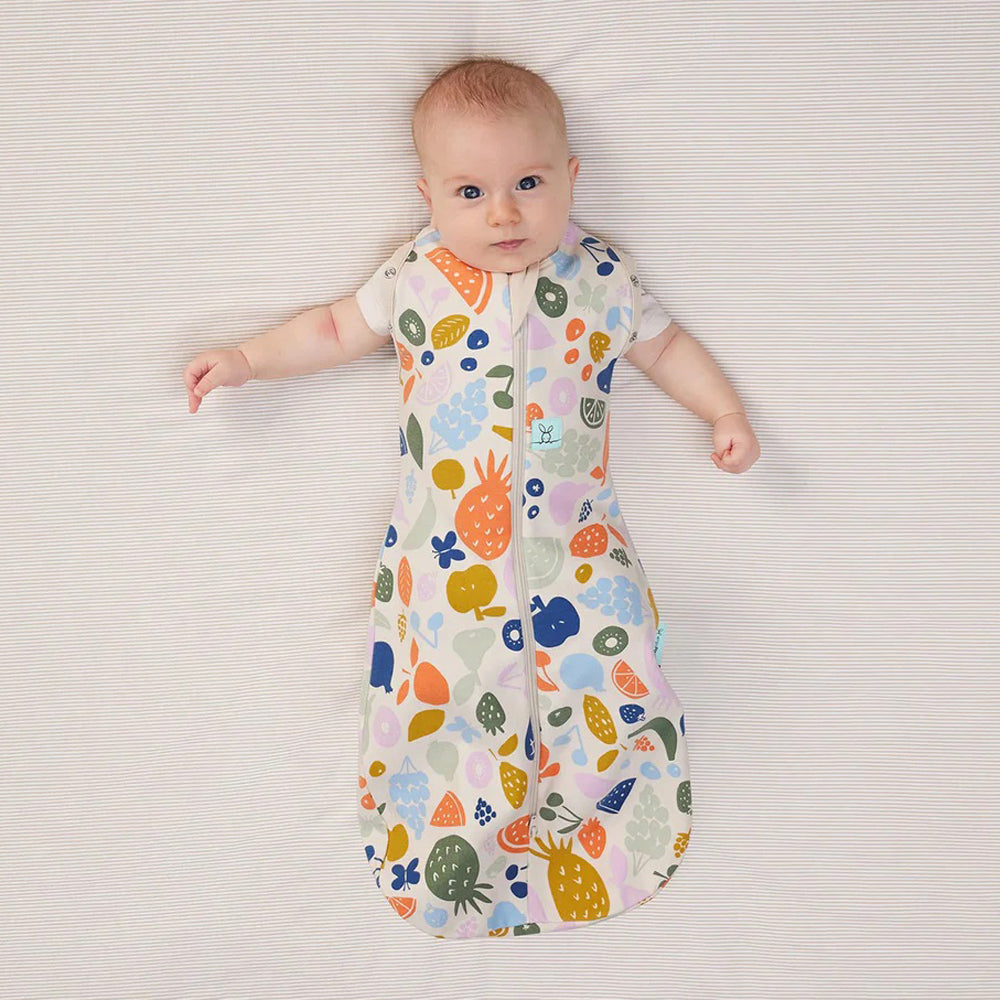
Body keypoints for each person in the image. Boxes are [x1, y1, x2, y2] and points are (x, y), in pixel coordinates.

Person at [182, 56, 760, 939]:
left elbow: (668, 347)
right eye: (470, 192)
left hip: (579, 546)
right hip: (445, 560)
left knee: (611, 673)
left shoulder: (601, 278)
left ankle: (607, 833)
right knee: (448, 694)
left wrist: (723, 410)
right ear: (428, 196)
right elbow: (333, 328)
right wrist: (248, 360)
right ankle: (451, 849)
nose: (504, 213)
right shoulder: (415, 275)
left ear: (571, 176)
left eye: (529, 183)